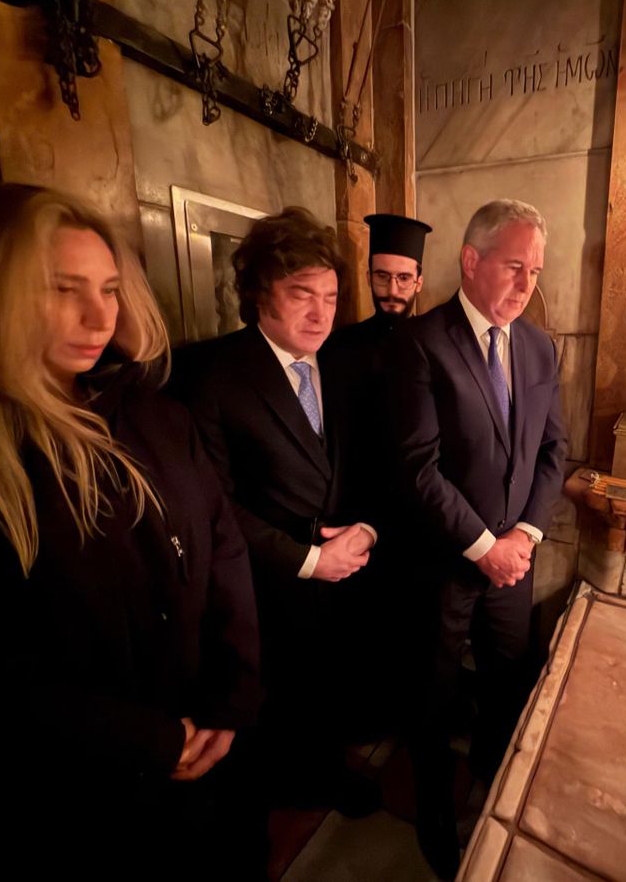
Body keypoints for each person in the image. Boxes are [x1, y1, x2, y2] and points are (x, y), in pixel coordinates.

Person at [0, 184, 262, 880]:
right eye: (63, 289)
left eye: (110, 288)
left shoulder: (149, 411)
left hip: (201, 758)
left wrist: (232, 693)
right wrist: (145, 742)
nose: (98, 316)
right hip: (71, 802)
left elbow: (220, 538)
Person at [176, 206, 381, 816]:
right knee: (276, 709)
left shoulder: (343, 363)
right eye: (301, 295)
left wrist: (367, 530)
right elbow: (209, 500)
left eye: (331, 296)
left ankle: (329, 771)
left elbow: (372, 466)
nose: (321, 313)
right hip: (264, 583)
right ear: (258, 291)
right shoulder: (211, 374)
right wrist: (306, 559)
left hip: (348, 572)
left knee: (333, 692)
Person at [391, 199, 567, 876]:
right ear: (472, 260)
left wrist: (522, 534)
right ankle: (434, 817)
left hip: (513, 565)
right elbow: (417, 467)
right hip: (442, 563)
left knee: (505, 688)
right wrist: (483, 547)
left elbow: (555, 450)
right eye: (515, 267)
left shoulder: (537, 346)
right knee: (432, 700)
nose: (527, 286)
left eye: (536, 272)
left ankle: (494, 795)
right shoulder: (420, 345)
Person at [323, 212, 433, 735]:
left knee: (411, 624)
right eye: (381, 276)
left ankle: (407, 719)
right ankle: (362, 724)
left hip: (417, 511)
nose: (392, 289)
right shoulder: (337, 347)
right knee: (358, 626)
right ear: (367, 276)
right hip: (355, 506)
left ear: (419, 279)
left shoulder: (435, 343)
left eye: (402, 277)